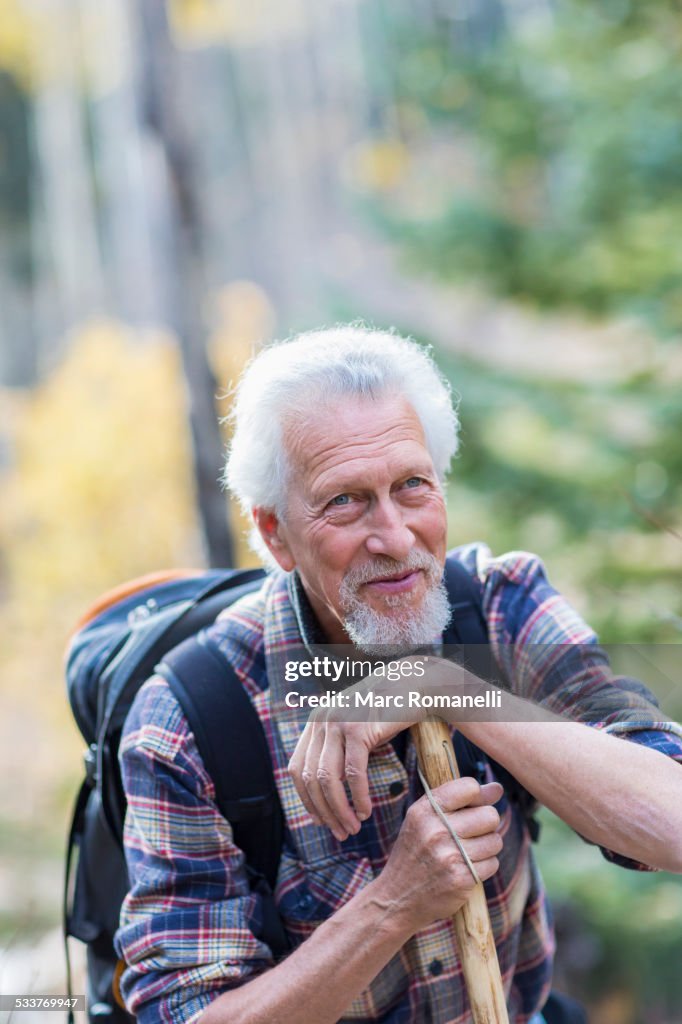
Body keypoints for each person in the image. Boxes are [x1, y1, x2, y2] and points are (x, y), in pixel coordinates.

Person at [114, 326, 682, 1024]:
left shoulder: (500, 609)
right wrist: (393, 904)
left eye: (412, 485)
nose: (394, 537)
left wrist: (444, 685)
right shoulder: (190, 720)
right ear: (274, 534)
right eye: (345, 501)